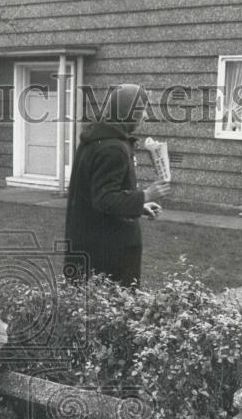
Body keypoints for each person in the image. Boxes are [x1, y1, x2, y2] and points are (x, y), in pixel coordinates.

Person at [64, 83, 172, 287]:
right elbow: (104, 199)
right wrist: (146, 195)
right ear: (128, 113)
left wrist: (138, 207)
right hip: (108, 252)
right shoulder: (113, 148)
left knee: (85, 305)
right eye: (142, 110)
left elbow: (95, 196)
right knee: (112, 309)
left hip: (89, 242)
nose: (146, 116)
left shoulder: (96, 140)